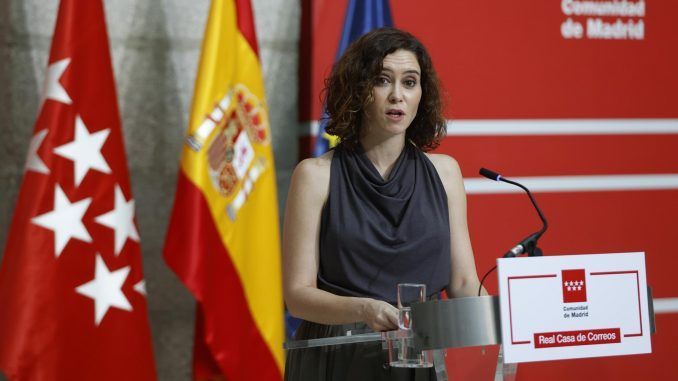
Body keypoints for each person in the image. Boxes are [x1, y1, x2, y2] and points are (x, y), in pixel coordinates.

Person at [282, 27, 486, 380]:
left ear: (422, 93)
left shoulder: (446, 173)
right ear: (359, 90)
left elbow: (464, 282)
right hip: (337, 358)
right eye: (381, 80)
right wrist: (365, 309)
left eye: (410, 82)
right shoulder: (315, 175)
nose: (397, 96)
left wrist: (512, 316)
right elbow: (298, 296)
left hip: (417, 356)